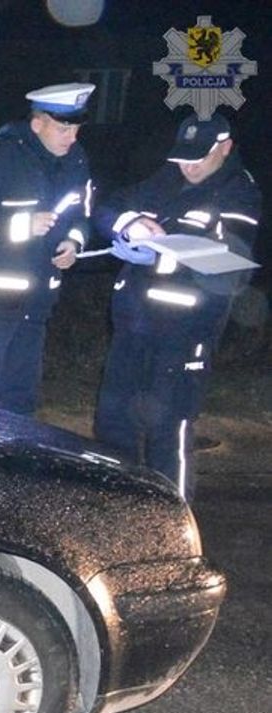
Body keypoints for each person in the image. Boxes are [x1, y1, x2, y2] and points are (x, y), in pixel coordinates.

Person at [91, 111, 262, 500]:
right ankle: (118, 509)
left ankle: (175, 518)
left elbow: (229, 264)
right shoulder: (165, 180)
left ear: (225, 148)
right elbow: (107, 206)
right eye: (183, 155)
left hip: (185, 336)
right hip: (133, 328)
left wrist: (162, 253)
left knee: (169, 431)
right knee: (113, 424)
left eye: (199, 156)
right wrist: (129, 224)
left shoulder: (238, 192)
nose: (188, 165)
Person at [0, 82, 95, 415]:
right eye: (64, 128)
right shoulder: (1, 156)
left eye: (77, 128)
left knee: (20, 399)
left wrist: (74, 242)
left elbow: (81, 214)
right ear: (37, 123)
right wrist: (21, 225)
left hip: (38, 302)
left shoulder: (76, 160)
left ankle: (10, 467)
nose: (72, 137)